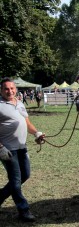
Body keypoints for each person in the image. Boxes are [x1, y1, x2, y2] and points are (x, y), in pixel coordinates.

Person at [0, 78, 45, 222]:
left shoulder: (19, 103)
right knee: (15, 180)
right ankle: (23, 210)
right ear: (1, 90)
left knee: (25, 174)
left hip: (21, 147)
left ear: (16, 89)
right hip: (7, 149)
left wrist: (36, 133)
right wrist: (0, 147)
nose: (10, 91)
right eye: (6, 89)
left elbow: (27, 123)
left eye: (12, 88)